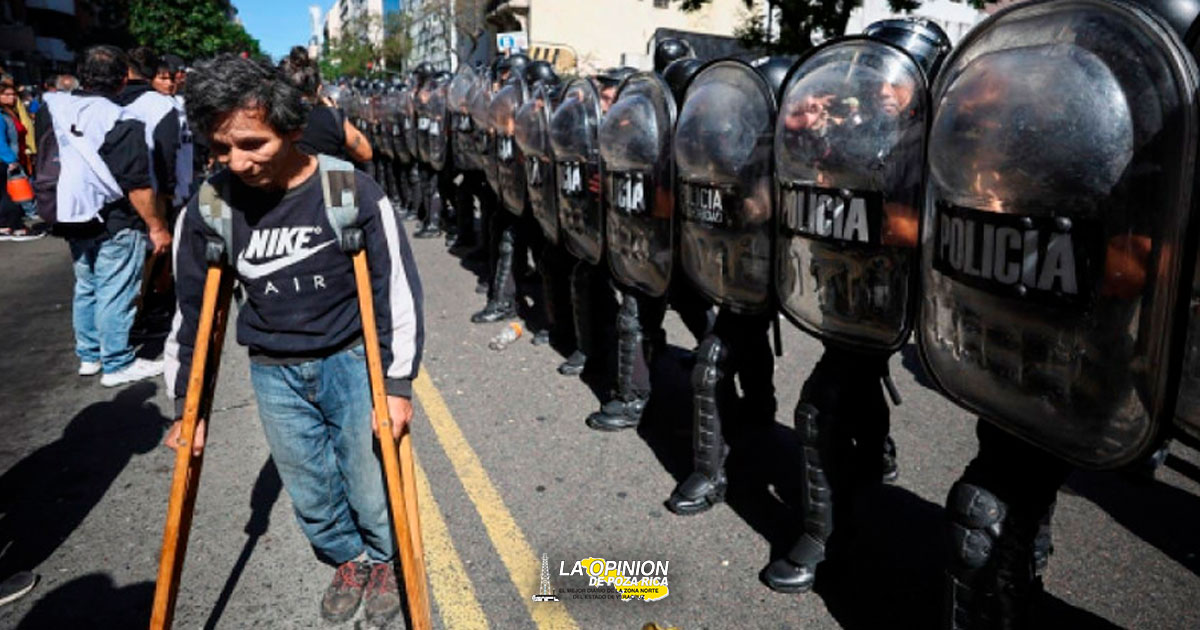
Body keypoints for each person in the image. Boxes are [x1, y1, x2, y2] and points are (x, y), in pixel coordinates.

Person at [163, 53, 424, 626]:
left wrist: (398, 381)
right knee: (308, 482)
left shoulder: (350, 191)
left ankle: (385, 557)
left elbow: (394, 292)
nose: (238, 162)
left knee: (367, 474)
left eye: (253, 143)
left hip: (351, 359)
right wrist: (189, 405)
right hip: (273, 367)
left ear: (291, 128)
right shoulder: (210, 207)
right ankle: (348, 558)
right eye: (221, 148)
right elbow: (191, 317)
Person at [34, 45, 169, 385]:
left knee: (87, 284)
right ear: (123, 80)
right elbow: (137, 186)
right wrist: (156, 226)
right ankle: (117, 361)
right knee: (116, 287)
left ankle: (90, 355)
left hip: (67, 211)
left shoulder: (52, 107)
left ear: (82, 74)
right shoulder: (122, 120)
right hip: (114, 218)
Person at [280, 46, 372, 167]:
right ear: (319, 89)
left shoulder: (271, 118)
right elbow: (365, 153)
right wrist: (335, 113)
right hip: (324, 184)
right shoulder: (331, 118)